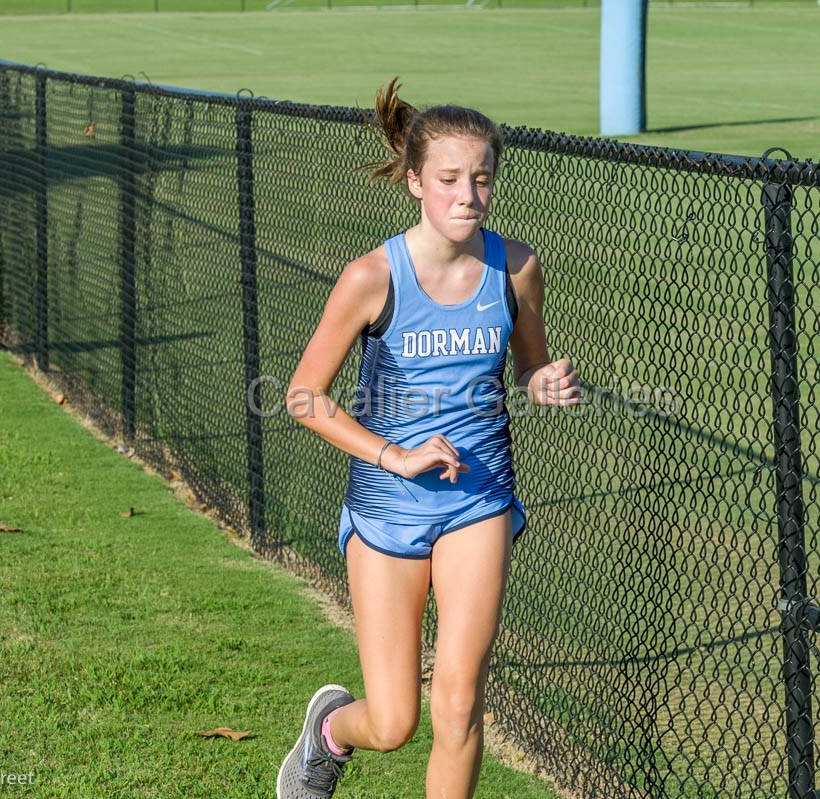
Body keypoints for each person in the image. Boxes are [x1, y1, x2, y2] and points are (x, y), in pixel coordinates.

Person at [276, 76, 580, 799]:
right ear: (414, 182)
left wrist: (545, 383)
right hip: (387, 504)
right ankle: (326, 733)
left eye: (480, 179)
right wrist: (397, 454)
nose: (466, 195)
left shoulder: (516, 267)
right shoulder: (372, 277)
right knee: (392, 721)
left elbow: (530, 366)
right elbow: (301, 395)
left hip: (479, 500)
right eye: (448, 179)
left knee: (459, 703)